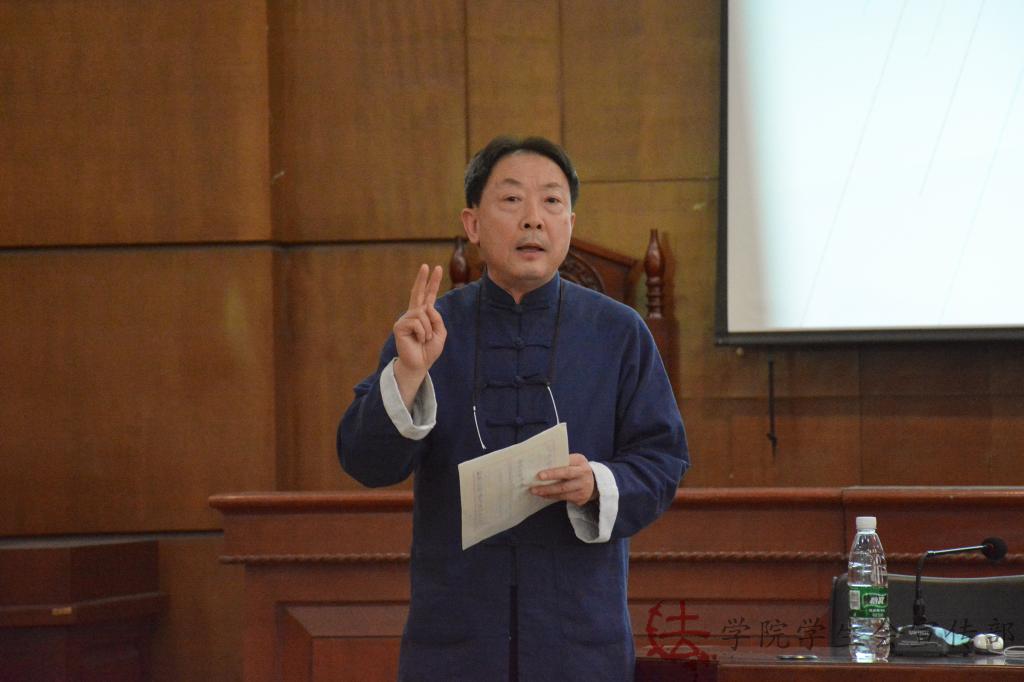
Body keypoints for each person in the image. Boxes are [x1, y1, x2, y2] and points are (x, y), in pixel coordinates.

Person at [337, 136, 688, 681]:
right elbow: (365, 462)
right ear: (473, 224)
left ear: (569, 222)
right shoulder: (430, 329)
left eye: (551, 201)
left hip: (577, 639)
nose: (532, 219)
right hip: (455, 641)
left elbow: (664, 460)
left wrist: (597, 483)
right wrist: (408, 374)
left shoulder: (620, 331)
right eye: (511, 200)